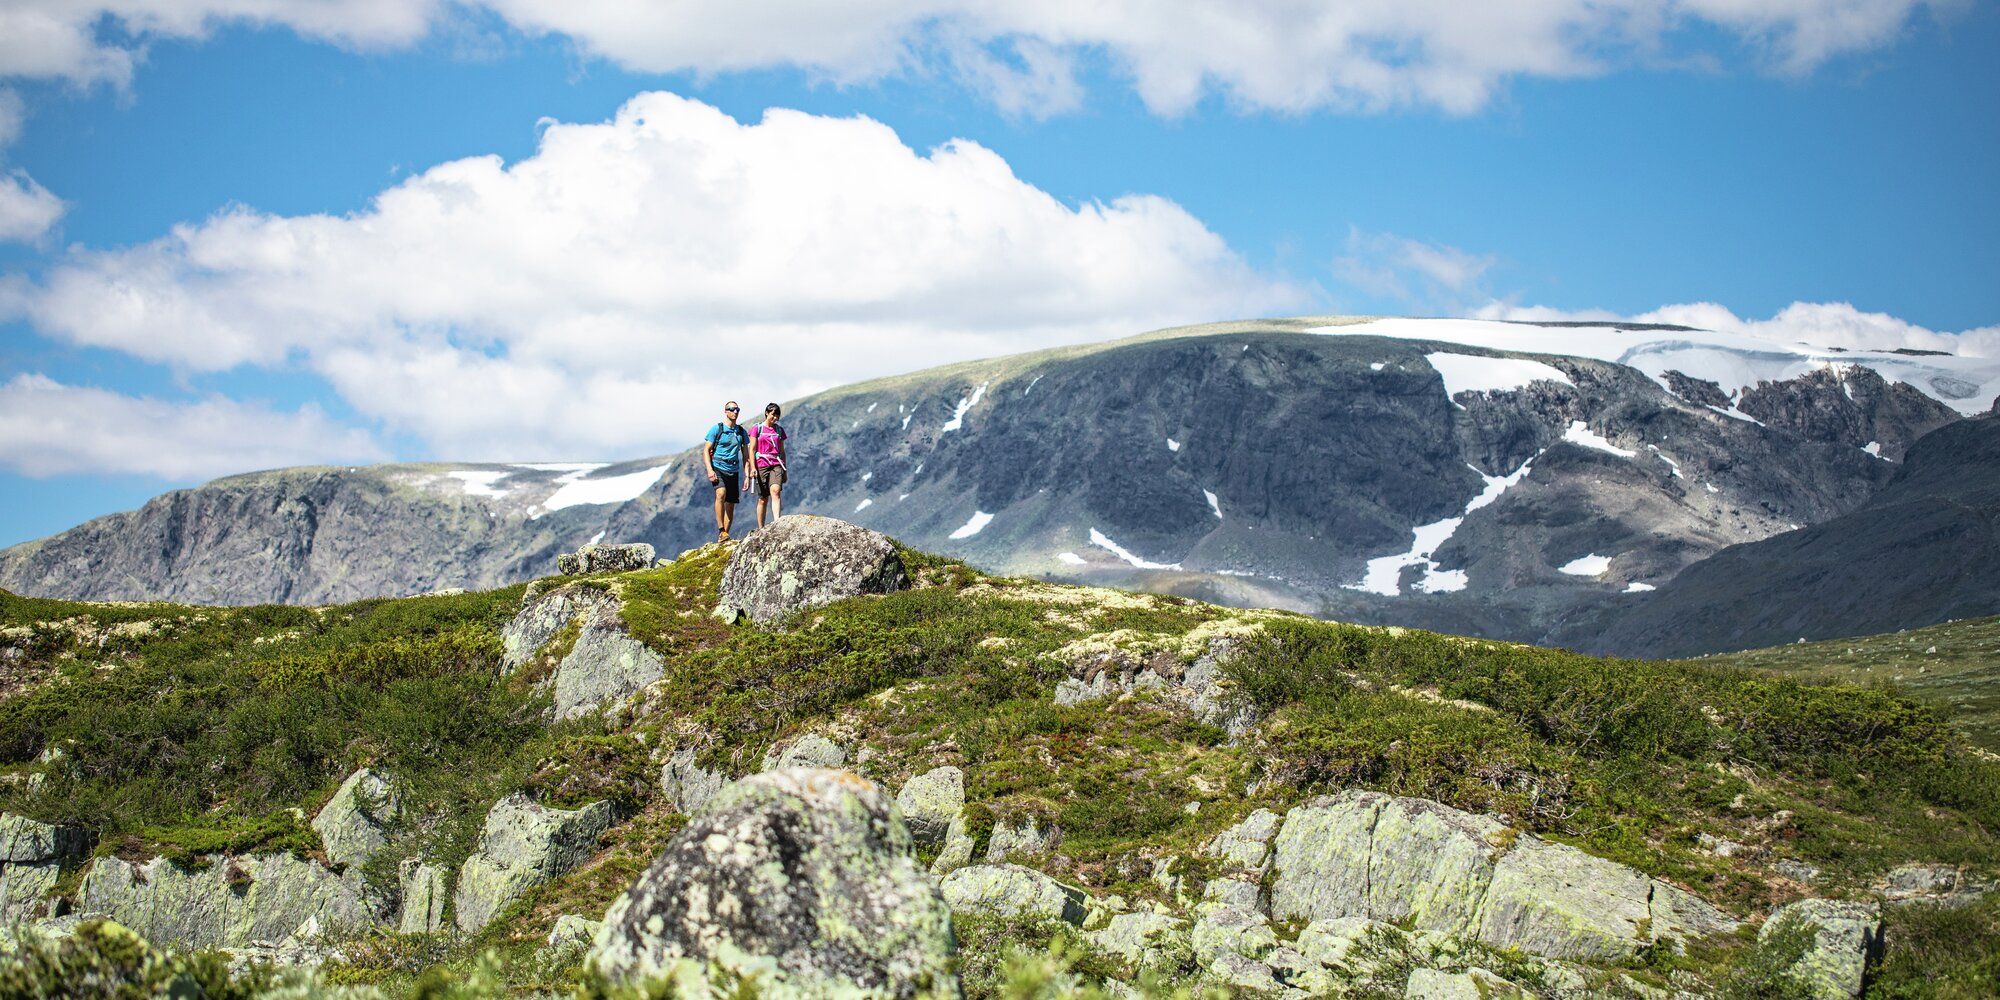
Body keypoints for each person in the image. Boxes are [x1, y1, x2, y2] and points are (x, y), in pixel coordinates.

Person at [703, 401, 751, 542]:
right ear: (725, 411)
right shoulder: (716, 429)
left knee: (730, 504)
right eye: (732, 409)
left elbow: (746, 456)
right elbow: (706, 450)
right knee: (720, 493)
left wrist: (747, 476)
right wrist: (709, 470)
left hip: (733, 470)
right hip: (718, 467)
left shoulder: (741, 432)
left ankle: (724, 537)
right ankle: (721, 530)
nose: (735, 412)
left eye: (737, 409)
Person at [749, 402, 788, 529]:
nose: (775, 418)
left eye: (777, 415)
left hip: (776, 464)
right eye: (773, 415)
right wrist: (753, 468)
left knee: (776, 491)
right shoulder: (757, 429)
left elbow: (782, 451)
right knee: (763, 498)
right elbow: (752, 449)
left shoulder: (779, 430)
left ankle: (777, 523)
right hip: (761, 464)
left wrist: (785, 470)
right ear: (766, 413)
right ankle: (761, 527)